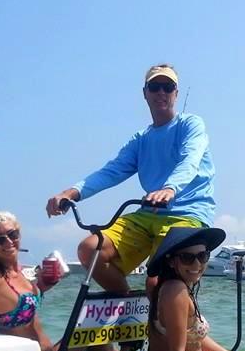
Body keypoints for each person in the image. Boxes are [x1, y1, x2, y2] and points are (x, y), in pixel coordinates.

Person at [45, 64, 216, 295]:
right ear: (145, 93)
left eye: (168, 87)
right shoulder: (141, 139)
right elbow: (111, 171)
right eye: (155, 87)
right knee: (90, 250)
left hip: (188, 214)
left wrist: (169, 188)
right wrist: (70, 193)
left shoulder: (190, 124)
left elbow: (190, 160)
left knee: (156, 284)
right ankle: (129, 312)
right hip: (149, 213)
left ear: (176, 93)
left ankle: (168, 318)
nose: (161, 93)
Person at [0, 211, 122, 351]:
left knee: (94, 317)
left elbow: (19, 302)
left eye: (12, 234)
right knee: (90, 321)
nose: (8, 241)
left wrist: (43, 286)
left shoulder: (18, 273)